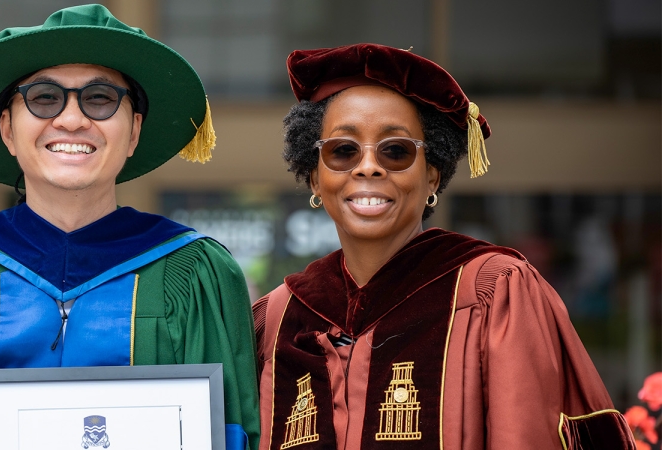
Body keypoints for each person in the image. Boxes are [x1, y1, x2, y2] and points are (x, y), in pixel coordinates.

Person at [0, 5, 259, 450]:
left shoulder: (195, 272)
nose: (71, 119)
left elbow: (227, 433)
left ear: (134, 131)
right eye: (44, 97)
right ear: (7, 129)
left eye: (100, 98)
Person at [253, 43, 634, 449]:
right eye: (343, 150)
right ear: (315, 178)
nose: (368, 167)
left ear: (432, 176)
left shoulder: (493, 291)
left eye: (396, 151)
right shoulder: (279, 318)